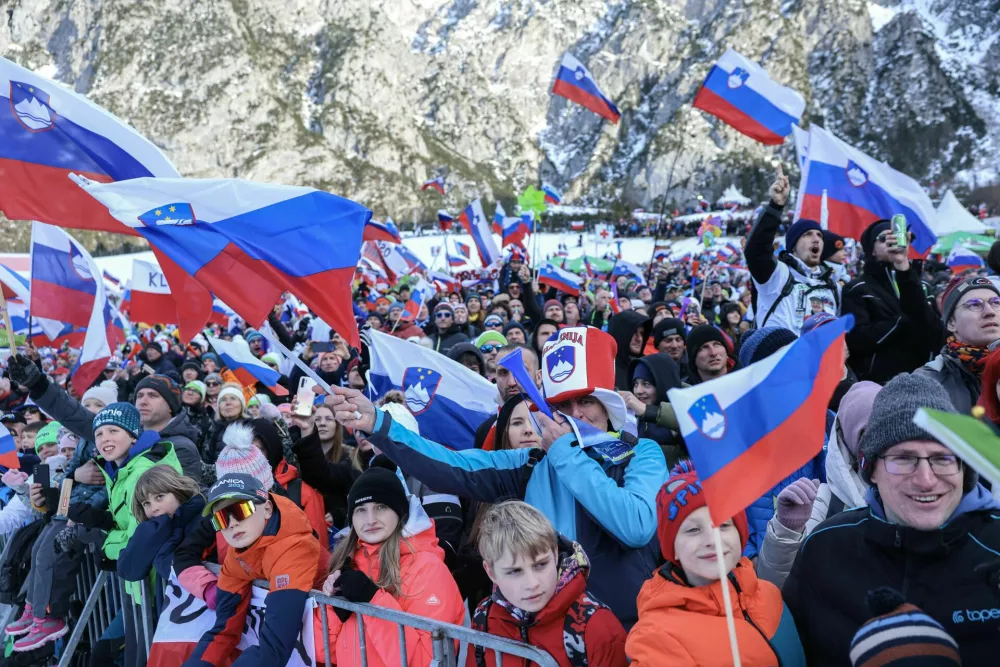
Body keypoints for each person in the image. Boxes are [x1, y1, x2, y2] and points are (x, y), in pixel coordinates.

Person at [327, 326, 666, 627]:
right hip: (548, 633)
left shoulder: (642, 453)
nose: (576, 414)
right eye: (564, 405)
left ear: (606, 405)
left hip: (624, 631)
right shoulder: (531, 463)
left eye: (586, 401)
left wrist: (565, 452)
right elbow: (450, 465)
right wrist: (379, 424)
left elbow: (635, 525)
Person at [783, 374, 1000, 666]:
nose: (926, 480)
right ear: (871, 470)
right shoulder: (825, 548)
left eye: (942, 458)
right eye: (903, 459)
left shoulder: (995, 546)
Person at [626, 461, 806, 667]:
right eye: (693, 530)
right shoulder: (657, 639)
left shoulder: (769, 594)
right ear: (672, 547)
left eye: (723, 524)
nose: (713, 540)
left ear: (740, 535)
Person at [315, 467, 465, 667]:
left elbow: (426, 661)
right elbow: (322, 650)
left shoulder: (428, 569)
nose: (370, 519)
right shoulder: (350, 563)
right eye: (361, 510)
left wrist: (373, 601)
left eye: (381, 507)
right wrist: (337, 608)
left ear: (399, 511)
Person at [184, 472, 326, 666]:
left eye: (241, 510)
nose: (232, 524)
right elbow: (223, 630)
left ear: (267, 509)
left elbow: (274, 647)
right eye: (221, 519)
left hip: (336, 649)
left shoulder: (295, 547)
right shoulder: (239, 552)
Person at [470, 501, 627, 667]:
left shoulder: (596, 626)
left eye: (540, 565)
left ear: (555, 554)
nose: (532, 584)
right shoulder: (484, 617)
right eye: (514, 571)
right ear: (491, 572)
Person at [756, 381, 879, 588]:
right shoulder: (823, 502)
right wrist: (788, 531)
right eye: (867, 433)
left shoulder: (923, 491)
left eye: (888, 428)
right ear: (850, 440)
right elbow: (773, 585)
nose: (881, 442)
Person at [5, 359, 204, 483]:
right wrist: (38, 384)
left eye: (153, 395)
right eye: (140, 395)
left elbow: (175, 507)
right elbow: (76, 415)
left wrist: (100, 522)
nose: (143, 400)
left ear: (171, 406)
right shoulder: (123, 433)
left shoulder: (182, 448)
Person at [842, 219, 943, 383]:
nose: (892, 242)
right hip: (879, 383)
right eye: (884, 238)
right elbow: (857, 340)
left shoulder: (923, 286)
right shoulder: (857, 288)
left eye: (897, 236)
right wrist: (902, 320)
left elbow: (936, 333)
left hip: (924, 378)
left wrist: (903, 264)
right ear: (872, 250)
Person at [745, 166, 840, 335]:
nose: (816, 239)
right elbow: (756, 250)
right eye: (807, 235)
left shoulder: (832, 286)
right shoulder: (777, 276)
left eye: (819, 235)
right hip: (781, 351)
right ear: (793, 246)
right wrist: (775, 206)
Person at [915, 275, 1000, 413]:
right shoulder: (926, 383)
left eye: (996, 303)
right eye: (975, 305)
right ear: (951, 323)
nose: (990, 312)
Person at [117, 466, 205, 584]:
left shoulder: (203, 519)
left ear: (178, 492)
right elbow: (128, 571)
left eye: (159, 497)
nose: (154, 508)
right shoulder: (158, 530)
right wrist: (148, 534)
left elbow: (176, 569)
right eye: (146, 503)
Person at [618, 354, 687, 466]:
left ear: (662, 384)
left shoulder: (688, 408)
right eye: (635, 384)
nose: (638, 391)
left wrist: (647, 411)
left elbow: (687, 419)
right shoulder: (635, 417)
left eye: (646, 384)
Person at [608, 310, 652, 390]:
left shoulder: (648, 366)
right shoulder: (605, 368)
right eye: (634, 332)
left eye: (642, 333)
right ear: (621, 334)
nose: (639, 339)